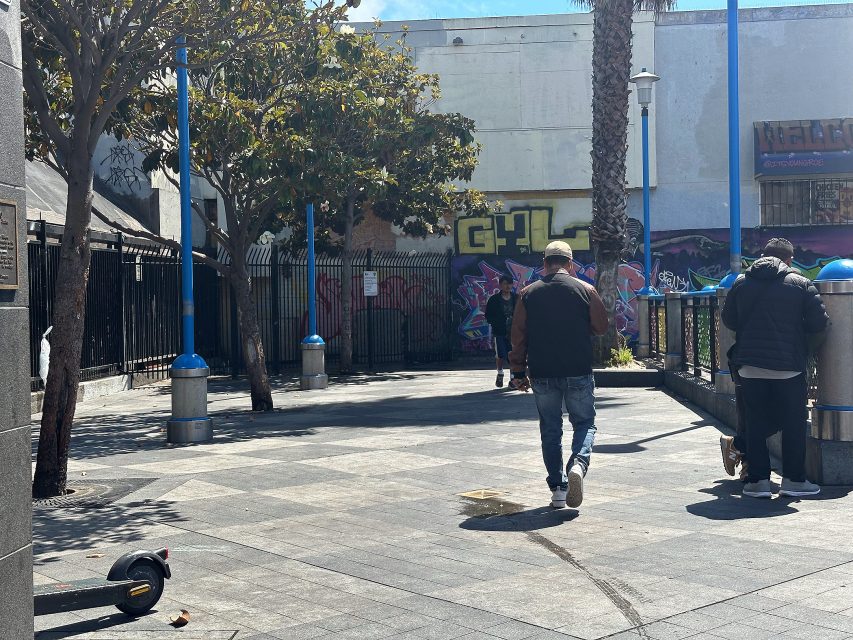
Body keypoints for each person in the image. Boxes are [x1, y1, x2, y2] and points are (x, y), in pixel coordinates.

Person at [720, 238, 828, 498]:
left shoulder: (741, 282)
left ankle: (757, 482)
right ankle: (793, 480)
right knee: (793, 423)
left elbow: (728, 319)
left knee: (755, 423)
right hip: (788, 366)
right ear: (789, 260)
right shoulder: (801, 283)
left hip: (749, 366)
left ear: (762, 256)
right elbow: (819, 323)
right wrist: (806, 349)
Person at [509, 241, 608, 509]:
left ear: (544, 264)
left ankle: (558, 488)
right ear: (570, 264)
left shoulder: (528, 293)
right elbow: (601, 327)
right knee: (585, 423)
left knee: (551, 429)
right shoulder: (586, 289)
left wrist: (517, 371)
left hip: (542, 371)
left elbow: (518, 336)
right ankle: (578, 463)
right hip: (578, 369)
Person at [485, 275, 518, 388]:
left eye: (510, 283)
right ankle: (500, 373)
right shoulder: (494, 300)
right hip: (499, 332)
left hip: (514, 333)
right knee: (500, 355)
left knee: (513, 355)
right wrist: (496, 323)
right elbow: (488, 315)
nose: (508, 286)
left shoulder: (516, 298)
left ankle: (513, 378)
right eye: (505, 283)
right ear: (500, 285)